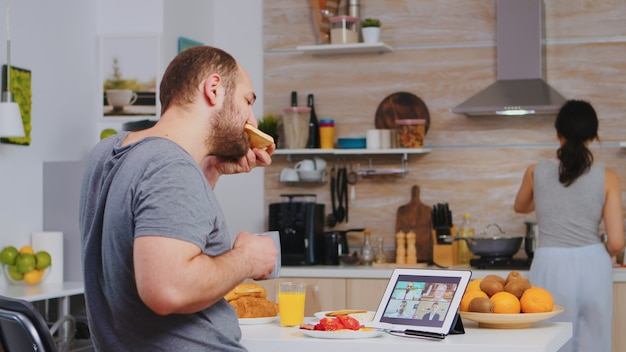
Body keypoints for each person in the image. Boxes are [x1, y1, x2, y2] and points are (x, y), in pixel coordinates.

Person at [79, 46, 278, 351]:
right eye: (247, 101)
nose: (252, 119)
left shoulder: (108, 152)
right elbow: (168, 290)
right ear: (214, 89)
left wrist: (208, 172)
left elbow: (159, 218)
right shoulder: (170, 166)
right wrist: (248, 259)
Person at [514, 99, 624, 352]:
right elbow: (617, 242)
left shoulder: (535, 171)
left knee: (551, 337)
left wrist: (546, 197)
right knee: (594, 339)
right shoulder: (607, 177)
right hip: (593, 261)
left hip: (551, 261)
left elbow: (520, 206)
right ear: (594, 136)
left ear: (558, 133)